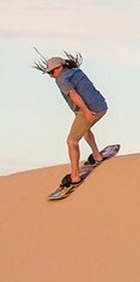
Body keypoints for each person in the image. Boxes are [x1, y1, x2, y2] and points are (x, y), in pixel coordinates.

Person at [34, 52, 109, 188]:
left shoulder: (61, 79)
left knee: (72, 141)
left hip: (89, 110)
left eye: (52, 72)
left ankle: (75, 177)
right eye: (49, 73)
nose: (51, 76)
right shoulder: (75, 71)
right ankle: (97, 156)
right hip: (101, 106)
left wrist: (86, 111)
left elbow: (74, 95)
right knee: (84, 130)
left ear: (59, 68)